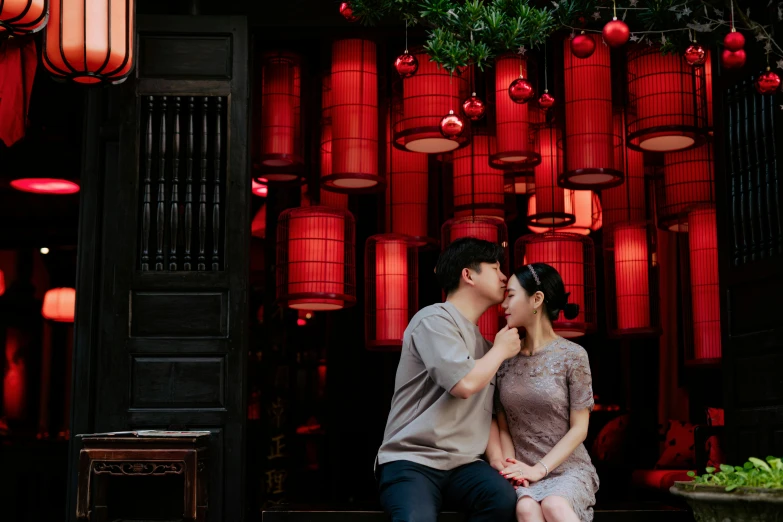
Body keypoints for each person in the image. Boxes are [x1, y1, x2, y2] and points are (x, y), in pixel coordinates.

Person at [376, 237, 522, 522]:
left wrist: (496, 460)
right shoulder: (432, 319)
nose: (504, 276)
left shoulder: (486, 348)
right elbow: (464, 385)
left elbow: (487, 413)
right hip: (412, 460)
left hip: (464, 465)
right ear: (467, 275)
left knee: (503, 500)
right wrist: (502, 351)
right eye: (494, 267)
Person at [486, 263, 599, 522]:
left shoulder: (573, 356)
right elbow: (503, 426)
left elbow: (579, 429)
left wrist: (540, 469)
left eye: (511, 295)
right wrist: (513, 470)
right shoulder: (504, 359)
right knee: (526, 509)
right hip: (523, 471)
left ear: (536, 299)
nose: (503, 305)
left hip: (567, 469)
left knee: (554, 506)